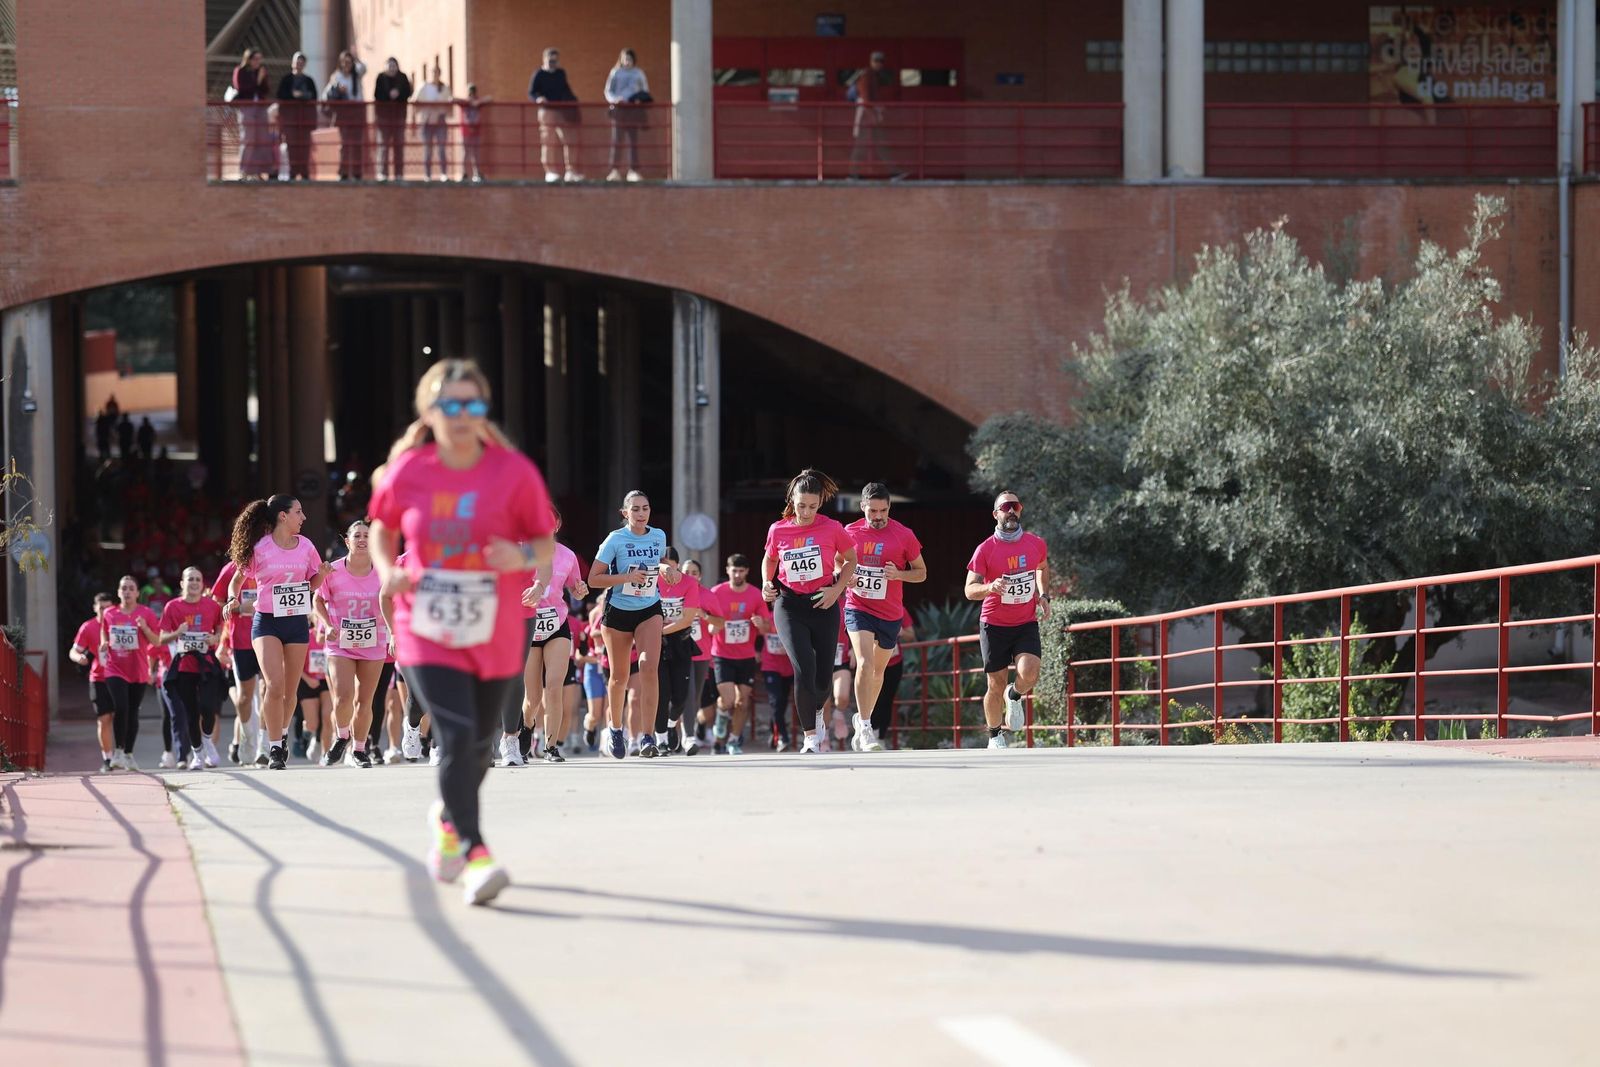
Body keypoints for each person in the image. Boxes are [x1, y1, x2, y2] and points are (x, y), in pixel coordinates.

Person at [369, 358, 556, 906]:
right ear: (430, 411)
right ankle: (476, 853)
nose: (461, 415)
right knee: (454, 735)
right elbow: (382, 531)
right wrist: (388, 572)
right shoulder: (409, 470)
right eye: (449, 405)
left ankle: (449, 821)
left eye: (472, 405)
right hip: (426, 624)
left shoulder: (513, 472)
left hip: (494, 626)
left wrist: (516, 555)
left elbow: (543, 542)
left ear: (484, 410)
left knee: (478, 744)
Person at [224, 494, 333, 770]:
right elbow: (236, 580)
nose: (304, 517)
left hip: (296, 622)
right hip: (267, 621)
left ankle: (281, 734)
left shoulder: (306, 546)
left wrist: (322, 573)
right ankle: (273, 748)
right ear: (283, 516)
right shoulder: (260, 548)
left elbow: (312, 584)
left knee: (289, 690)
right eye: (299, 512)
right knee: (273, 685)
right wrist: (232, 599)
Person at [760, 470, 858, 754]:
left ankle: (818, 711)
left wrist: (836, 590)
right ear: (792, 500)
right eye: (801, 505)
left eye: (813, 506)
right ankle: (810, 737)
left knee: (823, 678)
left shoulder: (832, 528)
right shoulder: (778, 529)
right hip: (789, 604)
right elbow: (769, 559)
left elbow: (851, 560)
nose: (806, 512)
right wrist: (767, 583)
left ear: (820, 504)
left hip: (823, 602)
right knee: (803, 668)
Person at [964, 491, 1051, 749]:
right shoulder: (985, 549)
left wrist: (1044, 594)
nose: (1011, 511)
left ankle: (1014, 695)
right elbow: (969, 590)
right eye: (1005, 507)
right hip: (994, 625)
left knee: (1030, 672)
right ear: (996, 514)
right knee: (995, 683)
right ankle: (994, 736)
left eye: (1015, 506)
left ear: (1020, 510)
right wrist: (990, 587)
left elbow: (1042, 568)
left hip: (1025, 623)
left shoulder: (1035, 543)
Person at [844, 482, 927, 752]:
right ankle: (866, 726)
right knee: (865, 663)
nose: (878, 516)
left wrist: (899, 574)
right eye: (872, 511)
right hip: (858, 607)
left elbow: (921, 572)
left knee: (879, 671)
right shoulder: (850, 532)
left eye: (883, 510)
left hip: (891, 613)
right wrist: (848, 577)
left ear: (889, 507)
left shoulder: (903, 535)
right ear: (862, 507)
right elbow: (836, 561)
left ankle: (861, 718)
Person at [588, 491, 667, 758]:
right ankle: (615, 729)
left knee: (648, 668)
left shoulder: (659, 536)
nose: (641, 513)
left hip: (649, 608)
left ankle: (647, 737)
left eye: (645, 508)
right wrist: (627, 577)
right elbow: (593, 579)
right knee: (619, 676)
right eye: (635, 509)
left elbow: (657, 566)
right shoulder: (615, 539)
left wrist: (666, 569)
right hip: (618, 611)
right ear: (625, 513)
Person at [315, 520, 396, 768]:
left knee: (365, 700)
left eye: (367, 536)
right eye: (357, 535)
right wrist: (328, 624)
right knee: (343, 697)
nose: (362, 539)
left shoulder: (383, 572)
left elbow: (395, 602)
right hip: (341, 643)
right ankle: (341, 736)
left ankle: (360, 750)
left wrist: (393, 632)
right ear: (347, 541)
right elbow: (317, 601)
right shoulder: (334, 571)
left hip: (374, 642)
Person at [513, 506, 587, 765]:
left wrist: (580, 589)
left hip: (558, 625)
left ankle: (552, 746)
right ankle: (527, 725)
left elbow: (576, 588)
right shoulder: (522, 553)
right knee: (532, 696)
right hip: (528, 625)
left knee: (554, 687)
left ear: (556, 526)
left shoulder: (567, 556)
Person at [157, 568, 227, 770]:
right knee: (191, 712)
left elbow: (221, 627)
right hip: (185, 665)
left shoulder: (211, 606)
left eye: (198, 579)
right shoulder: (172, 607)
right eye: (190, 579)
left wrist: (215, 638)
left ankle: (207, 742)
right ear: (182, 583)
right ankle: (197, 755)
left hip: (207, 663)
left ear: (202, 584)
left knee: (209, 708)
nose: (194, 583)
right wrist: (178, 632)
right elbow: (162, 638)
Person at [707, 553, 770, 756]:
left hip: (746, 656)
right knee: (727, 700)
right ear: (727, 570)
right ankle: (720, 722)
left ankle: (733, 740)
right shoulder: (716, 592)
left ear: (747, 572)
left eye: (741, 571)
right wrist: (712, 628)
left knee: (742, 701)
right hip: (722, 654)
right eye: (734, 570)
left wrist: (762, 624)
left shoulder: (755, 594)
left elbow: (767, 627)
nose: (737, 574)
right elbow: (706, 620)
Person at [100, 575, 161, 770]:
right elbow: (104, 631)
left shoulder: (147, 613)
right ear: (118, 592)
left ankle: (128, 754)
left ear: (137, 593)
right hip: (115, 668)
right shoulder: (109, 613)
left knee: (133, 712)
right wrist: (103, 642)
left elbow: (157, 641)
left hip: (138, 669)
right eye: (123, 588)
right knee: (121, 707)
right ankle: (118, 751)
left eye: (130, 588)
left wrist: (144, 627)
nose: (127, 591)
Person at [653, 546, 704, 754]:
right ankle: (661, 739)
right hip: (655, 642)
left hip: (679, 640)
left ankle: (673, 725)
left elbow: (687, 618)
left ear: (677, 566)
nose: (668, 573)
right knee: (661, 693)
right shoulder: (652, 581)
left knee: (681, 695)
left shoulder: (689, 583)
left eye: (671, 568)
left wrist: (662, 630)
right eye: (664, 568)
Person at [212, 560, 263, 764]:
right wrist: (239, 607)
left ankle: (266, 745)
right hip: (241, 639)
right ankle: (248, 736)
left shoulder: (275, 561)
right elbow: (216, 602)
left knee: (269, 690)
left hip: (270, 635)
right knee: (244, 698)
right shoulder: (232, 568)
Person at [68, 593, 117, 772]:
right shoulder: (88, 627)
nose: (105, 611)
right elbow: (73, 651)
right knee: (104, 719)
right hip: (99, 678)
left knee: (120, 719)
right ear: (95, 608)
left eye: (108, 608)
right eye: (101, 608)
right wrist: (79, 657)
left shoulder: (121, 623)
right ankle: (107, 759)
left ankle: (123, 754)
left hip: (122, 677)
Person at [528, 47, 581, 182]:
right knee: (549, 141)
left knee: (569, 141)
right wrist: (538, 99)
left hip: (562, 110)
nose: (553, 63)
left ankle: (571, 171)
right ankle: (550, 171)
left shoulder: (560, 73)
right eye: (550, 60)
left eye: (555, 60)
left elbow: (566, 89)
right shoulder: (539, 74)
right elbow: (532, 92)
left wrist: (573, 101)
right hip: (547, 110)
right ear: (544, 59)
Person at [867, 609, 915, 747]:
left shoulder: (899, 609)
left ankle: (880, 736)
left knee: (887, 699)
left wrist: (900, 632)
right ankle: (868, 731)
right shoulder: (865, 606)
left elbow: (911, 635)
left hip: (894, 661)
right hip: (872, 661)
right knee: (872, 697)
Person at [603, 48, 649, 181]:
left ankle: (633, 170)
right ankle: (615, 170)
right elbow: (608, 91)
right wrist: (615, 100)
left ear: (634, 60)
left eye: (630, 59)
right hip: (619, 109)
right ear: (621, 60)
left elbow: (645, 90)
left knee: (633, 141)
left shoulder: (638, 73)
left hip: (633, 109)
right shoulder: (616, 72)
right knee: (617, 140)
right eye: (625, 59)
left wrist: (640, 99)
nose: (627, 62)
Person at [232, 48, 276, 180]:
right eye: (256, 59)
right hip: (247, 108)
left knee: (262, 139)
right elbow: (243, 89)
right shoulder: (240, 71)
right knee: (249, 139)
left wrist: (262, 79)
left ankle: (260, 171)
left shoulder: (261, 71)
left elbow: (266, 90)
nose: (258, 62)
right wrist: (257, 80)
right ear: (249, 59)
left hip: (261, 108)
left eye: (260, 59)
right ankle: (245, 171)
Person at [324, 50, 368, 181]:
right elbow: (327, 93)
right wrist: (338, 88)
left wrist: (356, 58)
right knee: (344, 143)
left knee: (357, 143)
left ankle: (357, 172)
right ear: (341, 63)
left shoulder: (357, 74)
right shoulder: (337, 76)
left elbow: (364, 68)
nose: (347, 64)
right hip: (344, 111)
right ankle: (343, 171)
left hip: (357, 110)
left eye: (349, 62)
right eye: (345, 62)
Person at [849, 51, 892, 179]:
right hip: (866, 114)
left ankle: (893, 171)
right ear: (871, 61)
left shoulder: (874, 76)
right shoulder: (867, 75)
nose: (879, 64)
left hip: (869, 113)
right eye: (877, 61)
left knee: (879, 143)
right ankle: (853, 174)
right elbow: (866, 98)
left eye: (881, 61)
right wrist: (874, 114)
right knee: (861, 145)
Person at [276, 52, 319, 180]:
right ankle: (293, 172)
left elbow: (313, 96)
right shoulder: (286, 80)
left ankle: (304, 172)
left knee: (305, 146)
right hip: (290, 120)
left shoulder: (309, 80)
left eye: (301, 62)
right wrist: (294, 96)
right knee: (291, 146)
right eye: (297, 62)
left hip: (305, 120)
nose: (299, 64)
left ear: (304, 64)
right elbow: (281, 95)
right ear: (292, 63)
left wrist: (300, 95)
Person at [373, 57, 413, 180]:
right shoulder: (381, 78)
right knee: (383, 145)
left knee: (399, 145)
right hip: (383, 118)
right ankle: (382, 173)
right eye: (389, 65)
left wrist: (398, 94)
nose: (391, 68)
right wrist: (388, 95)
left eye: (393, 65)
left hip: (399, 117)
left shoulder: (403, 77)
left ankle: (399, 174)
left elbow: (408, 92)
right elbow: (377, 95)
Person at [759, 623, 794, 751]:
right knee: (776, 700)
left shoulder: (793, 613)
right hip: (771, 666)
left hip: (789, 666)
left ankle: (773, 729)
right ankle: (783, 737)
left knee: (782, 703)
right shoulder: (764, 614)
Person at [414, 64, 451, 181]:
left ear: (439, 74)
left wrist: (438, 107)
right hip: (427, 120)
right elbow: (414, 100)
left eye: (436, 72)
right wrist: (427, 107)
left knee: (441, 148)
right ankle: (427, 174)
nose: (434, 75)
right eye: (432, 72)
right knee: (428, 149)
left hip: (440, 120)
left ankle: (444, 174)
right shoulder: (423, 87)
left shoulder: (444, 88)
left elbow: (448, 104)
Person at [457, 84, 490, 182]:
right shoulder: (465, 103)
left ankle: (477, 173)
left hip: (476, 131)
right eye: (470, 93)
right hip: (466, 132)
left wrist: (478, 102)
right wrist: (467, 101)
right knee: (465, 153)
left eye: (473, 93)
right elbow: (452, 99)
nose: (472, 95)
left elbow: (489, 98)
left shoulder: (478, 102)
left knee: (476, 154)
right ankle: (464, 173)